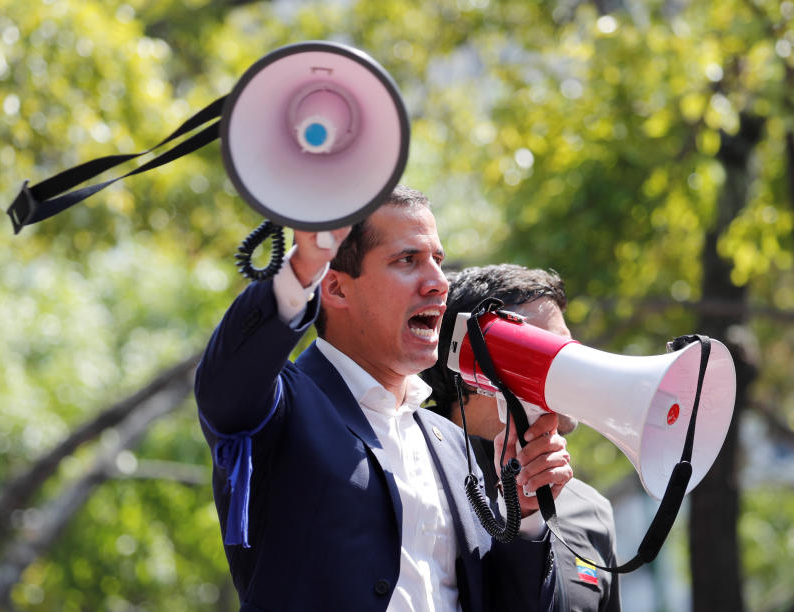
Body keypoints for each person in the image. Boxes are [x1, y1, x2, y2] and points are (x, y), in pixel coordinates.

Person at [195, 186, 573, 611]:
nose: (438, 283)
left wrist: (523, 517)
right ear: (335, 289)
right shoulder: (282, 408)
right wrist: (302, 265)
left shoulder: (451, 444)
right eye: (407, 261)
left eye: (437, 261)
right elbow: (226, 378)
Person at [421, 264, 621, 612]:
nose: (572, 366)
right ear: (472, 360)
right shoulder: (410, 476)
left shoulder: (591, 512)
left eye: (568, 347)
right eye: (545, 350)